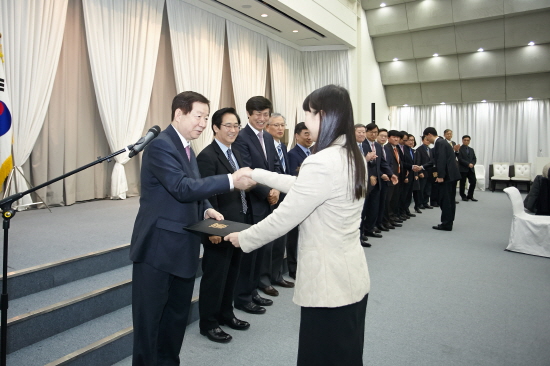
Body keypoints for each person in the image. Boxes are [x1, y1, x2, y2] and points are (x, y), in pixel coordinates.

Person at [225, 85, 370, 366]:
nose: (306, 123)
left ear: (324, 116)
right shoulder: (353, 155)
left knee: (322, 356)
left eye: (309, 115)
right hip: (351, 274)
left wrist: (244, 238)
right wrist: (256, 173)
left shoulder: (322, 161)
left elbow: (285, 217)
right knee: (347, 352)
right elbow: (305, 188)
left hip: (328, 283)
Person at [129, 92, 253, 365]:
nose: (202, 123)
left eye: (206, 118)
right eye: (198, 116)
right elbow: (181, 188)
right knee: (150, 322)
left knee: (175, 319)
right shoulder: (162, 146)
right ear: (179, 114)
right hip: (157, 250)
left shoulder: (187, 147)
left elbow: (193, 190)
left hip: (182, 248)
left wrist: (207, 208)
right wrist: (231, 180)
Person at [196, 107, 251, 344]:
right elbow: (206, 194)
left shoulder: (235, 152)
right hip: (219, 227)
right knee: (215, 277)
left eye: (236, 125)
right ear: (216, 127)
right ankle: (209, 323)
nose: (233, 130)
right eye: (227, 125)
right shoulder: (207, 157)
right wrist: (212, 230)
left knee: (232, 273)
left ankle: (226, 314)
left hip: (238, 224)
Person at [232, 96, 282, 314]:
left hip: (269, 199)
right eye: (258, 114)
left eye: (265, 114)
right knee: (249, 251)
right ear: (249, 115)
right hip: (251, 201)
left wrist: (277, 187)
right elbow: (245, 170)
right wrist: (267, 191)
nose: (262, 118)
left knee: (261, 248)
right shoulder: (241, 138)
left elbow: (275, 167)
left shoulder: (268, 138)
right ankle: (242, 297)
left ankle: (253, 291)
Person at [262, 113, 295, 292]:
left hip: (284, 198)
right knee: (268, 241)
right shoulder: (264, 146)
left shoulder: (282, 146)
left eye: (283, 125)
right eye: (276, 125)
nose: (280, 128)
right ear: (267, 128)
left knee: (280, 240)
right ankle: (265, 279)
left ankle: (276, 275)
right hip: (269, 197)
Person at [286, 122, 312, 279]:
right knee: (293, 237)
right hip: (297, 200)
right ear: (297, 136)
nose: (309, 137)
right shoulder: (292, 154)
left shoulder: (312, 153)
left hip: (310, 200)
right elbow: (291, 176)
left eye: (310, 133)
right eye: (305, 134)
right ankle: (293, 268)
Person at [361, 123, 396, 239]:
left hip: (378, 182)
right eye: (371, 132)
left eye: (375, 132)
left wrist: (391, 174)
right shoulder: (362, 145)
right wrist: (370, 175)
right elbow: (362, 163)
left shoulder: (377, 146)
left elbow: (382, 163)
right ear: (366, 133)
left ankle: (370, 228)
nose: (373, 134)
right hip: (367, 181)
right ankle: (361, 232)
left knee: (374, 207)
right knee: (364, 208)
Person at [423, 127, 461, 231]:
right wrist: (422, 167)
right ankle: (448, 222)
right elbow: (436, 160)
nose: (427, 140)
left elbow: (441, 161)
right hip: (452, 176)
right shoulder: (443, 142)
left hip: (447, 177)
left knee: (446, 201)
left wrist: (440, 176)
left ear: (429, 134)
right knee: (450, 201)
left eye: (426, 137)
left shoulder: (439, 143)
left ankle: (446, 224)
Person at [376, 129, 396, 231]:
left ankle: (381, 222)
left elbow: (390, 163)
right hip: (377, 179)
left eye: (385, 136)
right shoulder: (373, 147)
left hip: (387, 179)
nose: (383, 138)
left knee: (384, 202)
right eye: (381, 136)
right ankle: (375, 224)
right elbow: (374, 166)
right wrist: (381, 174)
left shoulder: (386, 149)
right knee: (377, 204)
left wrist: (390, 174)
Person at [413, 135, 434, 209]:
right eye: (426, 139)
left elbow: (432, 161)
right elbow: (418, 161)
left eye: (428, 139)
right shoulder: (419, 149)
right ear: (422, 140)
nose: (428, 141)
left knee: (428, 189)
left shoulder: (430, 149)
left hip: (430, 172)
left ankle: (425, 202)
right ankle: (420, 203)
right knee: (421, 189)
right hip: (422, 172)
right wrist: (420, 172)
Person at [458, 135, 478, 202]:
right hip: (463, 169)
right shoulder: (459, 149)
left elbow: (474, 158)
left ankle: (470, 195)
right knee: (462, 183)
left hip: (471, 169)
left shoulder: (471, 149)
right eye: (465, 140)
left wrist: (472, 163)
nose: (466, 141)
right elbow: (460, 159)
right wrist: (468, 164)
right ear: (462, 140)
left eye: (468, 140)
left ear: (469, 141)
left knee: (473, 182)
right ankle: (463, 196)